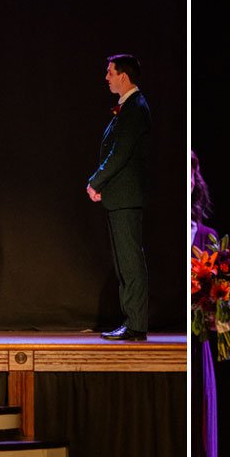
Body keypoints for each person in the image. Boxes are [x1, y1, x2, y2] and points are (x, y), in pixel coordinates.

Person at [87, 54, 151, 341]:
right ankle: (131, 320)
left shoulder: (136, 107)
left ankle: (136, 324)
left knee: (130, 261)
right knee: (123, 262)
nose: (106, 78)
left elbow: (120, 153)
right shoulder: (128, 107)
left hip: (126, 197)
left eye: (110, 72)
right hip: (119, 196)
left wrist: (96, 180)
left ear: (123, 75)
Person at [190, 151, 220, 457]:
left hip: (200, 348)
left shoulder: (207, 238)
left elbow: (218, 303)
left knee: (200, 452)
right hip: (181, 344)